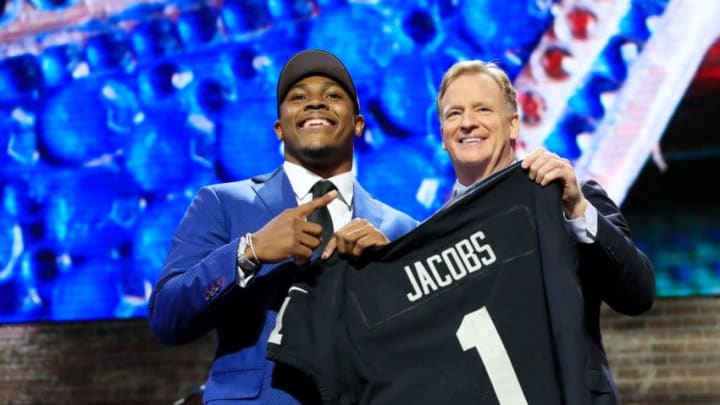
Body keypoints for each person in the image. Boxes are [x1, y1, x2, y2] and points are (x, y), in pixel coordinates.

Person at [148, 49, 417, 404]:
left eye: (333, 96)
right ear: (279, 127)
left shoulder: (402, 229)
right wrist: (249, 252)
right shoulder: (222, 204)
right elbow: (168, 318)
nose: (315, 104)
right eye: (298, 98)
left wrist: (393, 279)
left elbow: (427, 347)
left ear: (358, 123)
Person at [436, 59, 655, 403]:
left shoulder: (570, 198)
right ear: (442, 136)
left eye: (482, 109)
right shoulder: (432, 239)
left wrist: (578, 209)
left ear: (513, 125)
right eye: (454, 114)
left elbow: (638, 294)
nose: (467, 123)